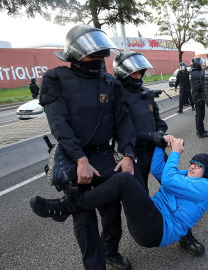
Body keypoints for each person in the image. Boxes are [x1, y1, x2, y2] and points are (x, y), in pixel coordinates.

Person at [39, 25, 137, 269]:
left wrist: (128, 154)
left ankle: (110, 252)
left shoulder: (111, 83)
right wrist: (81, 159)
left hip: (104, 155)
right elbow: (58, 123)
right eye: (93, 56)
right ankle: (94, 266)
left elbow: (124, 121)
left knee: (112, 213)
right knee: (84, 220)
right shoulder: (55, 78)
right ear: (75, 55)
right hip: (75, 158)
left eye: (102, 56)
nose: (99, 60)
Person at [30, 138, 208, 260]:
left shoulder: (206, 188)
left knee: (124, 181)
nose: (193, 167)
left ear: (206, 172)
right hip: (151, 215)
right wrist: (160, 143)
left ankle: (65, 206)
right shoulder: (185, 176)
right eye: (192, 163)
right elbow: (157, 169)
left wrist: (175, 152)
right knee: (128, 170)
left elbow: (167, 180)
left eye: (198, 166)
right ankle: (76, 174)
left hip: (157, 229)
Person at [113, 51, 169, 192]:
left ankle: (176, 212)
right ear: (123, 74)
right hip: (135, 153)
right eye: (134, 74)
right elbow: (123, 132)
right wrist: (149, 136)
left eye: (140, 73)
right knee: (140, 194)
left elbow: (159, 122)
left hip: (156, 148)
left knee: (173, 184)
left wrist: (160, 133)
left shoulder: (145, 94)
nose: (138, 76)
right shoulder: (118, 98)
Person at [190, 57, 208, 138]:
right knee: (200, 115)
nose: (202, 64)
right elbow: (198, 86)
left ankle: (199, 130)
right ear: (197, 64)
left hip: (195, 95)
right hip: (198, 95)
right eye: (200, 63)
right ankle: (201, 132)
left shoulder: (192, 72)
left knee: (198, 114)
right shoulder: (197, 73)